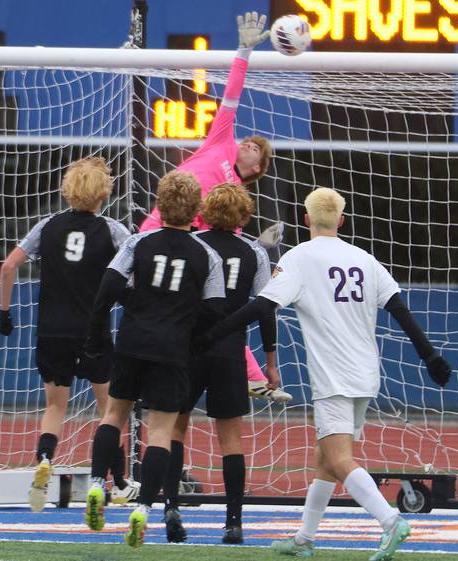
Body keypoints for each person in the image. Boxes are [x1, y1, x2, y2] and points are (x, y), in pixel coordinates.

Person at [197, 187, 452, 561]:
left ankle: (390, 520)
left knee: (337, 458)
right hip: (366, 373)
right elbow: (399, 309)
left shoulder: (300, 257)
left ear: (305, 220)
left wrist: (210, 335)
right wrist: (429, 356)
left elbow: (261, 306)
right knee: (325, 458)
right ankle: (304, 539)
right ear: (342, 220)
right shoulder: (364, 258)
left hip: (333, 377)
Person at [138, 11, 290, 404]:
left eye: (257, 147)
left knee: (214, 313)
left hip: (189, 247)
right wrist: (243, 50)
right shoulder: (221, 142)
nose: (248, 144)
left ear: (257, 167)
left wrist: (259, 246)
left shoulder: (237, 199)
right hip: (157, 227)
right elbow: (231, 96)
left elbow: (228, 244)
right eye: (249, 141)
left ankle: (254, 376)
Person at [82, 170, 226, 549]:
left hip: (133, 341)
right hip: (172, 349)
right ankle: (144, 507)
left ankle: (97, 484)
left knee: (114, 414)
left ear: (159, 205)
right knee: (160, 432)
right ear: (197, 210)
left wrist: (106, 327)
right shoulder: (206, 254)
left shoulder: (139, 241)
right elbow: (215, 312)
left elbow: (108, 287)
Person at [0, 157, 138, 512]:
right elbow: (134, 272)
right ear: (102, 193)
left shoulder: (48, 226)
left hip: (52, 330)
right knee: (110, 410)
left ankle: (45, 459)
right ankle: (117, 482)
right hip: (93, 331)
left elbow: (8, 266)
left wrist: (5, 312)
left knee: (55, 405)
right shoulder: (113, 231)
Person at [162, 183, 277, 545]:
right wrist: (270, 362)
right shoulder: (254, 252)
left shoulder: (194, 244)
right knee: (230, 439)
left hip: (190, 347)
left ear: (206, 212)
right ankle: (233, 522)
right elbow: (266, 307)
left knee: (174, 428)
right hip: (230, 352)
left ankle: (172, 508)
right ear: (244, 215)